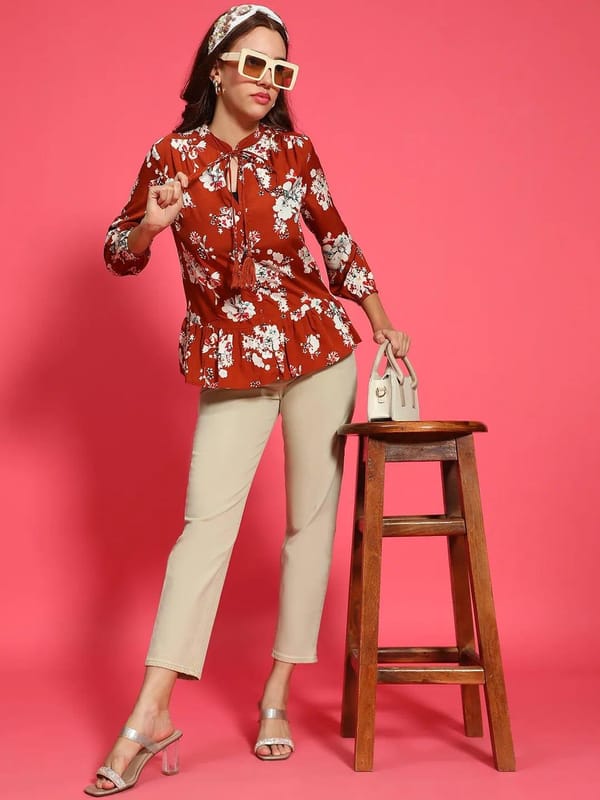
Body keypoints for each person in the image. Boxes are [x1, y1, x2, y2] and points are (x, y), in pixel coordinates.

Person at [85, 4, 410, 795]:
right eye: (255, 63)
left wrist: (383, 323)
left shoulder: (296, 154)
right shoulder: (170, 156)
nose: (269, 81)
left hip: (318, 351)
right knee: (205, 530)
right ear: (218, 68)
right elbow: (118, 251)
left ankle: (276, 695)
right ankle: (151, 712)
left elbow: (337, 241)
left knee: (308, 525)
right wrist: (150, 227)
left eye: (281, 69)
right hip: (230, 361)